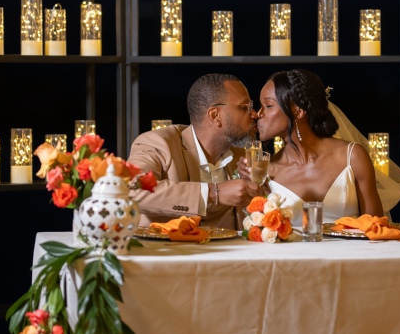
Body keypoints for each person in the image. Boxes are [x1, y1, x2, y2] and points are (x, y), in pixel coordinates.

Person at [242, 69, 385, 223]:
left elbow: (377, 228)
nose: (258, 114)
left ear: (298, 111)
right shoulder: (267, 173)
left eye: (268, 105)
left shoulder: (352, 156)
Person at [127, 73, 260, 229]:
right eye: (245, 107)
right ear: (215, 115)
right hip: (170, 251)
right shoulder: (159, 144)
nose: (254, 113)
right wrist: (214, 193)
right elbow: (133, 190)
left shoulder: (242, 156)